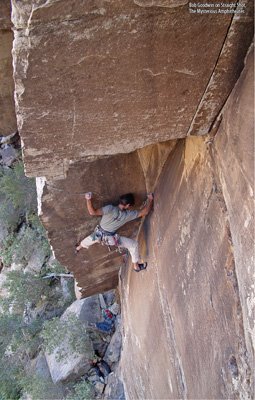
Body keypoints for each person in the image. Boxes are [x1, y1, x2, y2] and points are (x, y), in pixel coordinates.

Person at [76, 192, 154, 272]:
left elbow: (92, 212)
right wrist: (150, 199)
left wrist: (88, 200)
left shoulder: (110, 208)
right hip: (110, 239)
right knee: (133, 245)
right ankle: (136, 266)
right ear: (127, 205)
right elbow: (145, 212)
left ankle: (78, 247)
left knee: (91, 238)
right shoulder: (127, 215)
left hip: (98, 234)